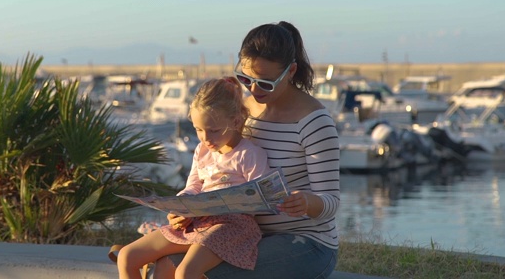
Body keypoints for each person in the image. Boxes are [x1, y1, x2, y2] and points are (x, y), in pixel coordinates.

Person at [154, 21, 341, 279]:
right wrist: (186, 208)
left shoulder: (313, 121)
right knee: (165, 263)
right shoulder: (243, 111)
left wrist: (307, 202)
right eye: (246, 79)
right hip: (240, 231)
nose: (253, 90)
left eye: (265, 83)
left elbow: (331, 202)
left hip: (306, 242)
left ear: (291, 71)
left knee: (195, 271)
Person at [116, 76, 271, 279]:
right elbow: (194, 185)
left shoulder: (249, 153)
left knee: (186, 272)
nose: (206, 138)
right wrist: (180, 206)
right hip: (197, 220)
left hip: (232, 227)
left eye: (214, 130)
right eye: (199, 130)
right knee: (127, 256)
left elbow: (262, 197)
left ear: (235, 121)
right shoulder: (202, 150)